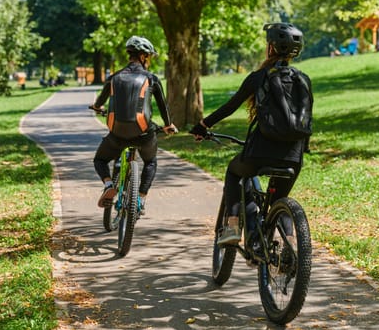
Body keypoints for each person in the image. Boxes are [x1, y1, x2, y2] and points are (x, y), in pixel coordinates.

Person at [189, 23, 313, 245]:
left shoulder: (259, 77)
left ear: (270, 47)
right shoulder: (303, 79)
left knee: (235, 173)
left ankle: (233, 228)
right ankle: (292, 245)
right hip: (294, 156)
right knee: (280, 201)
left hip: (260, 152)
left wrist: (202, 126)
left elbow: (230, 106)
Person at [90, 36, 177, 213]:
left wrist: (97, 107)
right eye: (149, 56)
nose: (150, 60)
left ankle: (108, 184)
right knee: (150, 162)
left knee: (99, 160)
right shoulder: (151, 78)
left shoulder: (114, 78)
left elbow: (100, 102)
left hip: (117, 135)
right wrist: (168, 125)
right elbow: (163, 106)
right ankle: (141, 199)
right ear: (144, 56)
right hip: (144, 134)